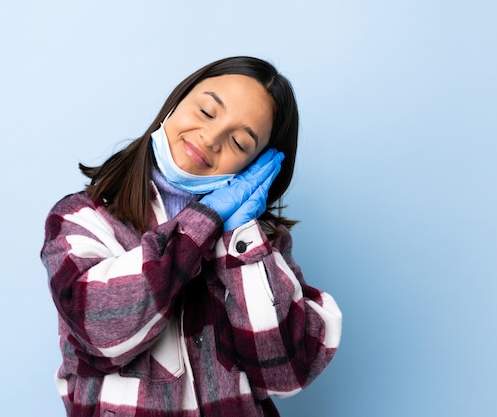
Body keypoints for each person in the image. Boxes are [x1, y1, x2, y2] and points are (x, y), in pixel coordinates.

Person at [40, 56, 342, 417]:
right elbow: (104, 331)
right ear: (176, 102)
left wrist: (241, 239)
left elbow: (286, 373)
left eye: (240, 142)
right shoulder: (80, 218)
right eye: (206, 111)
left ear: (254, 167)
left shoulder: (256, 245)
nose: (211, 139)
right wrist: (206, 218)